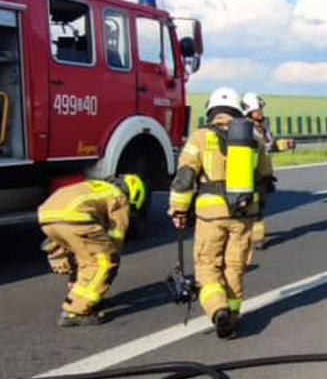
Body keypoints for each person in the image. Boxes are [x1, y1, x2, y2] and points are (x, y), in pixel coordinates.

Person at [169, 87, 275, 339]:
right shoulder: (254, 138)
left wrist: (178, 210)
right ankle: (234, 315)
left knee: (207, 266)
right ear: (238, 109)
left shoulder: (200, 137)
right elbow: (266, 178)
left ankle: (218, 309)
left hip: (211, 213)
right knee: (235, 267)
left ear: (211, 110)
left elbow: (184, 178)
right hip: (243, 213)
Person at [37, 173, 146, 327]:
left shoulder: (96, 187)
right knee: (104, 261)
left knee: (83, 254)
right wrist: (111, 257)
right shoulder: (120, 198)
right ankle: (74, 312)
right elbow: (115, 238)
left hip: (46, 216)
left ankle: (82, 295)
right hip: (74, 218)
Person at [240, 92, 292, 254]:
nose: (262, 112)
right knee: (253, 208)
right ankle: (256, 238)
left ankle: (252, 236)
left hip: (263, 174)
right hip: (250, 174)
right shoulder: (243, 128)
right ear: (249, 111)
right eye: (258, 109)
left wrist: (285, 144)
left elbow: (270, 146)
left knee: (259, 206)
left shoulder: (263, 126)